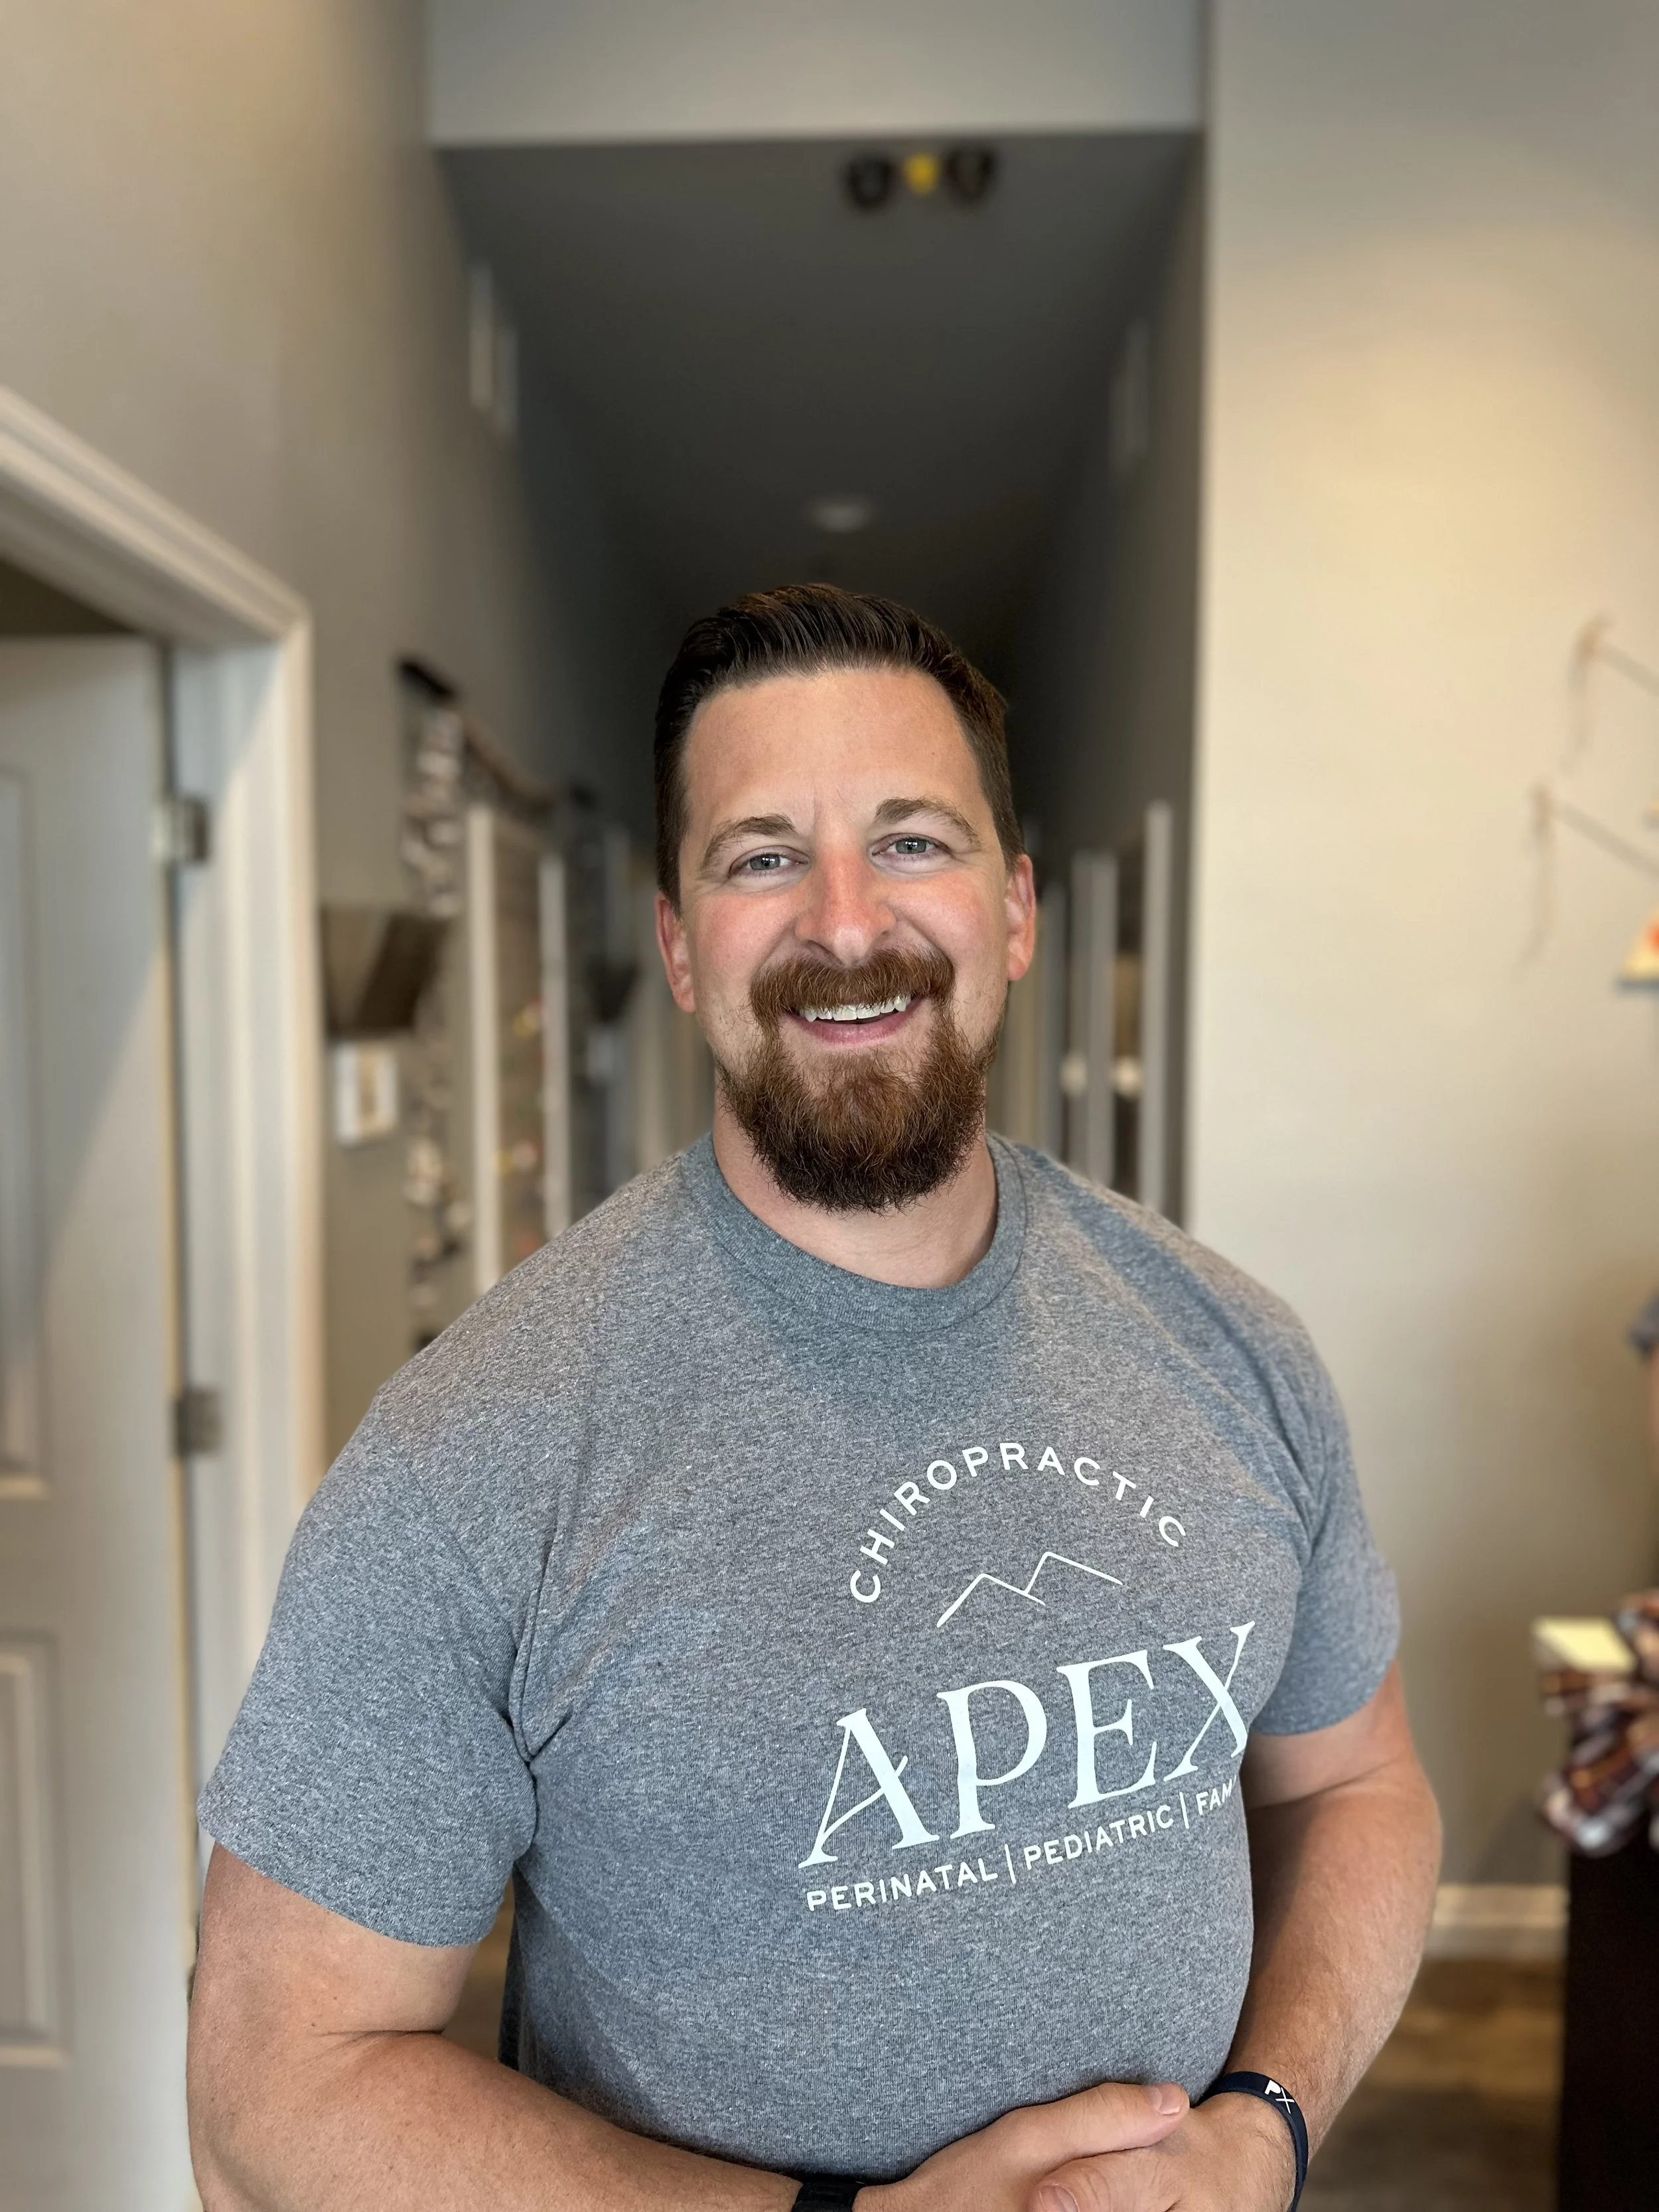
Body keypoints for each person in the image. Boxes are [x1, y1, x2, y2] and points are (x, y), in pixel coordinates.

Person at [188, 585, 1441, 2212]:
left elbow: (1355, 1783)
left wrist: (1262, 2129)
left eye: (912, 840)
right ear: (676, 945)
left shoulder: (1230, 1343)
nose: (845, 924)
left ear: (1014, 910)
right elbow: (271, 2101)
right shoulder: (477, 1448)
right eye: (760, 855)